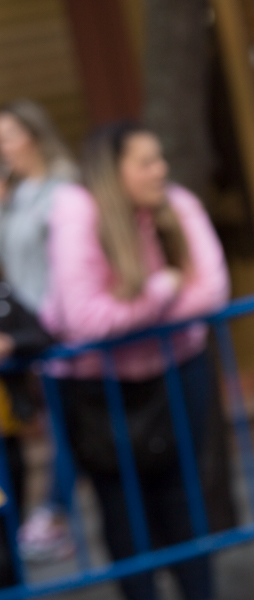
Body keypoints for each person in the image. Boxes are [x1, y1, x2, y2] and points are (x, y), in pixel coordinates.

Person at [41, 123, 235, 600]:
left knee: (185, 502)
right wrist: (161, 293)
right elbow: (85, 317)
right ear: (114, 171)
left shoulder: (177, 203)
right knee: (124, 513)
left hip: (176, 371)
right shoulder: (76, 211)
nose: (161, 170)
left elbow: (211, 291)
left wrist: (130, 315)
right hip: (98, 391)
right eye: (146, 162)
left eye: (160, 158)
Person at [0, 100, 77, 565]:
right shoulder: (14, 193)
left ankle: (52, 513)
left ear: (33, 135)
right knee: (54, 426)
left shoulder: (62, 186)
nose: (3, 146)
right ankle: (51, 515)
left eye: (9, 134)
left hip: (60, 328)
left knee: (69, 427)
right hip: (30, 333)